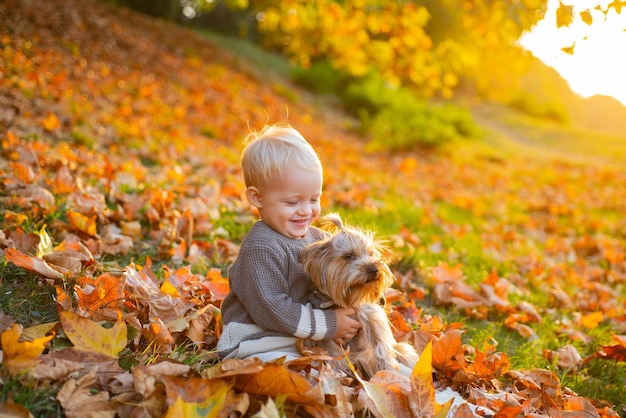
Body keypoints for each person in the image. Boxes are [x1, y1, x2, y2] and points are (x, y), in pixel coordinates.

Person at [216, 123, 361, 362]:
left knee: (346, 362)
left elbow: (338, 277)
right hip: (256, 343)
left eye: (314, 199)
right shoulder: (261, 247)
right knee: (306, 375)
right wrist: (330, 324)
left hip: (298, 339)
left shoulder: (316, 239)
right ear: (257, 197)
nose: (305, 211)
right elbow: (270, 309)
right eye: (292, 202)